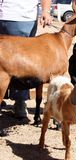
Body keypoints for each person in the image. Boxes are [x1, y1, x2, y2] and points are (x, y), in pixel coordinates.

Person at [0, 0, 51, 136]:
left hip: (21, 17)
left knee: (20, 63)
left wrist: (46, 11)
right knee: (14, 64)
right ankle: (17, 103)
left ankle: (19, 102)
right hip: (13, 16)